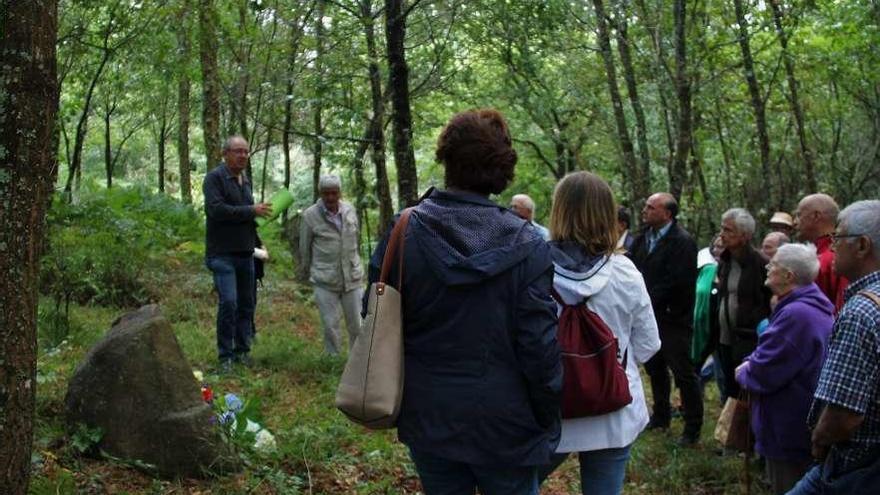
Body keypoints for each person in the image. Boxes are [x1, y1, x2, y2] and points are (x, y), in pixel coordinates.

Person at [366, 109, 562, 495]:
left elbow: (375, 315)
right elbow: (539, 346)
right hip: (507, 422)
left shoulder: (404, 229)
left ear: (447, 158)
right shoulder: (529, 244)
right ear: (502, 168)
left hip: (429, 416)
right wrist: (547, 413)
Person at [538, 172, 660, 495]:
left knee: (516, 485)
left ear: (558, 211)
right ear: (608, 214)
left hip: (551, 408)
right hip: (612, 409)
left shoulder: (533, 270)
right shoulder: (625, 271)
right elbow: (649, 344)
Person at [788, 200, 880, 494]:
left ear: (863, 246)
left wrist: (819, 440)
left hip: (855, 468)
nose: (831, 245)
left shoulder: (861, 313)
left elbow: (844, 415)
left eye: (837, 237)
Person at [734, 244, 834, 494]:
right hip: (798, 419)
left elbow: (764, 371)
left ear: (789, 276)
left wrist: (743, 371)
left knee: (787, 485)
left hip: (788, 426)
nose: (768, 267)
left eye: (774, 264)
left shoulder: (797, 314)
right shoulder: (805, 306)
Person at [628, 192, 703, 445]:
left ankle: (692, 428)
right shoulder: (641, 240)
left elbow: (678, 281)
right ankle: (661, 416)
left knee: (683, 372)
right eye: (646, 206)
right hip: (649, 317)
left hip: (673, 319)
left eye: (651, 207)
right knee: (655, 368)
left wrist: (646, 298)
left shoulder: (682, 242)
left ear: (667, 214)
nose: (645, 210)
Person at [203, 135, 272, 371]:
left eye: (246, 151)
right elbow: (217, 211)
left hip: (246, 253)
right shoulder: (215, 178)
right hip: (221, 254)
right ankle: (225, 356)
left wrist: (259, 244)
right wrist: (251, 210)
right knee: (229, 303)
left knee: (247, 303)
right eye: (238, 151)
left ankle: (243, 351)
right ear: (225, 154)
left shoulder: (246, 180)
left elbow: (247, 220)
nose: (243, 155)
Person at [299, 175, 364, 355]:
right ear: (320, 193)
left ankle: (357, 360)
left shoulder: (350, 210)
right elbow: (304, 248)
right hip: (324, 278)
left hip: (352, 276)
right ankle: (332, 360)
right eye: (326, 193)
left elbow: (356, 241)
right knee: (330, 324)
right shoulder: (310, 215)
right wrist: (305, 273)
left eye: (334, 193)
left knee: (357, 323)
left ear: (339, 193)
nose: (330, 197)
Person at [715, 208, 772, 398]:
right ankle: (730, 426)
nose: (723, 234)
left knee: (747, 393)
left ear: (745, 235)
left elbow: (771, 300)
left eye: (729, 230)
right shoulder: (725, 261)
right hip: (724, 338)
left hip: (749, 341)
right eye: (722, 229)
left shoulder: (761, 264)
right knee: (729, 389)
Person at [795, 193, 848, 309]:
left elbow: (842, 306)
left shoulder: (834, 257)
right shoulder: (818, 254)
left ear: (816, 216)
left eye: (799, 215)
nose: (795, 222)